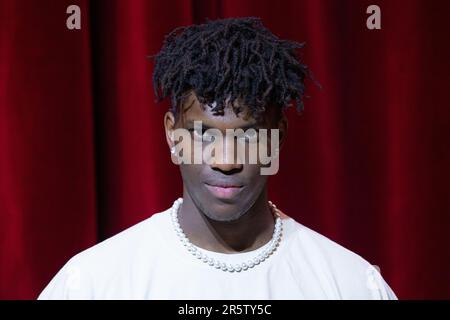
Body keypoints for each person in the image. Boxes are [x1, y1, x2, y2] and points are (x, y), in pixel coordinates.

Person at [39, 17, 397, 300]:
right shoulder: (91, 284)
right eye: (203, 134)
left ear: (279, 137)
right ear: (171, 134)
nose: (226, 160)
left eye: (250, 135)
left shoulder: (351, 284)